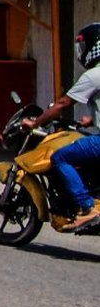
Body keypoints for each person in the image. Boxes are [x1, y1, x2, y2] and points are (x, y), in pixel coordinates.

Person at [22, 23, 100, 232]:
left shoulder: (94, 75)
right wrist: (92, 122)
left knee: (60, 157)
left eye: (83, 47)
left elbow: (63, 104)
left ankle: (87, 206)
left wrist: (35, 122)